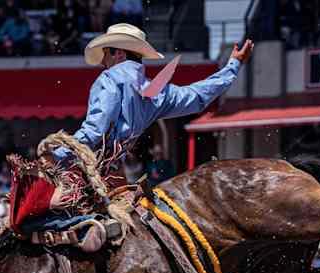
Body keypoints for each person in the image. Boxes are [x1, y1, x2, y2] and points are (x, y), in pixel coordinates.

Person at [22, 25, 252, 230]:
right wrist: (233, 65)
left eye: (106, 53)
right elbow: (198, 96)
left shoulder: (110, 78)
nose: (103, 60)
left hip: (84, 172)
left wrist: (57, 156)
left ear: (118, 52)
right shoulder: (155, 90)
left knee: (27, 218)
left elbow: (95, 130)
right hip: (110, 175)